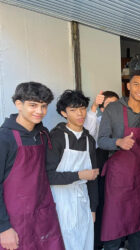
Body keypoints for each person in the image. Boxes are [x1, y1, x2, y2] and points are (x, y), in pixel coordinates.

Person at [98, 70, 140, 250]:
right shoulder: (114, 109)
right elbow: (101, 140)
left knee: (138, 225)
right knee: (114, 226)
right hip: (117, 178)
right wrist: (118, 142)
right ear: (128, 86)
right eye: (136, 84)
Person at [0, 82, 64, 249]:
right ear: (18, 104)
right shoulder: (4, 138)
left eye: (43, 106)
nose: (39, 111)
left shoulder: (43, 135)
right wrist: (3, 228)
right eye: (33, 105)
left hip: (43, 213)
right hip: (14, 221)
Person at [46, 90, 99, 250]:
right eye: (73, 110)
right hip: (60, 201)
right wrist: (79, 175)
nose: (80, 113)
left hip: (83, 199)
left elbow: (93, 177)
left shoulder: (89, 140)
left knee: (84, 241)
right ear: (64, 113)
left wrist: (93, 208)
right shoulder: (56, 137)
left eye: (82, 108)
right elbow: (48, 176)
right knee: (64, 242)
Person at [83, 90, 119, 250]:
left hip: (118, 174)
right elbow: (89, 133)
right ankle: (99, 244)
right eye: (109, 106)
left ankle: (118, 241)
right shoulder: (97, 121)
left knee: (117, 208)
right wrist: (94, 107)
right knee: (101, 208)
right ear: (102, 109)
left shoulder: (122, 123)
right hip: (101, 173)